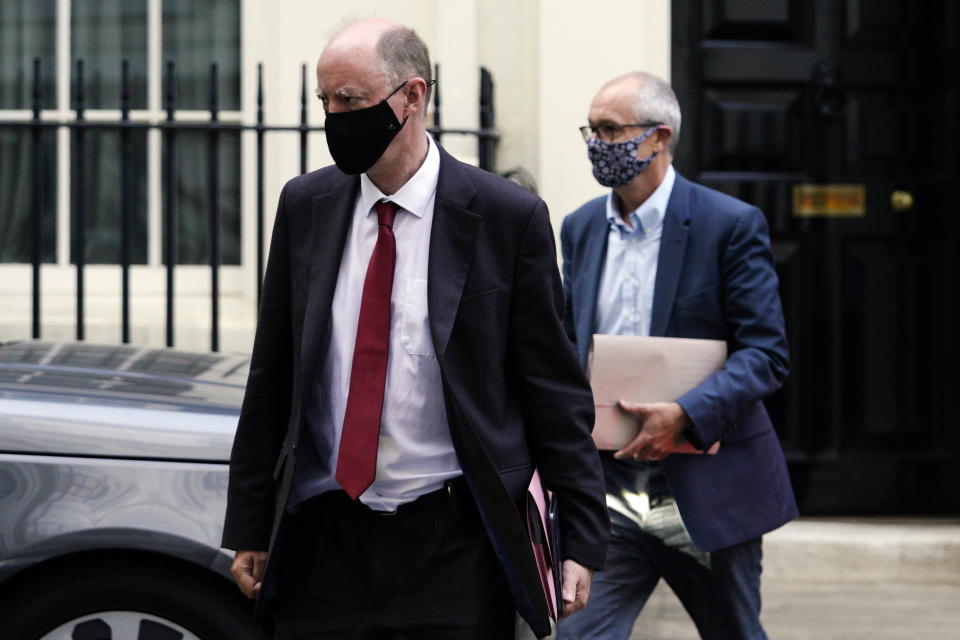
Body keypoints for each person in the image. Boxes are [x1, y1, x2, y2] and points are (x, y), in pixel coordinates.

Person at [221, 19, 608, 640]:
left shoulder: (506, 218)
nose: (334, 116)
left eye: (350, 100)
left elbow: (553, 390)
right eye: (324, 101)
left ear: (412, 96)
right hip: (323, 538)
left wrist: (582, 538)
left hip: (453, 543)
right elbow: (273, 374)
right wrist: (248, 524)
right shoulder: (305, 205)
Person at [556, 72, 798, 640]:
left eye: (610, 130)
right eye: (590, 130)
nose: (596, 143)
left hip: (707, 487)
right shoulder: (580, 227)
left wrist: (685, 413)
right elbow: (569, 346)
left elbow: (766, 353)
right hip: (608, 493)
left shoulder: (729, 225)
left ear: (659, 136)